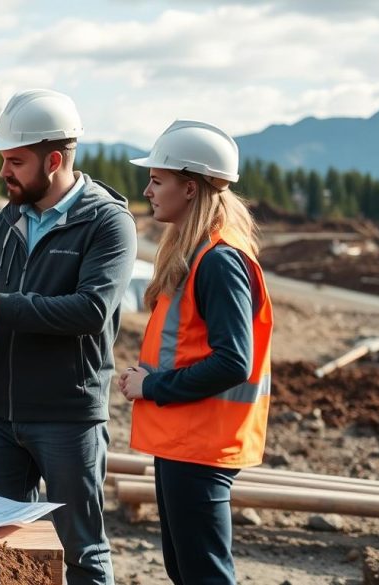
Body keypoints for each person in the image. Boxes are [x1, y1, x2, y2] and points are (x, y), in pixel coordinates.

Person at [0, 88, 136, 585]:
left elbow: (91, 310)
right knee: (4, 549)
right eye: (3, 159)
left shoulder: (107, 222)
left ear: (53, 160)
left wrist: (2, 307)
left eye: (15, 161)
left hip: (68, 417)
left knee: (81, 552)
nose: (4, 171)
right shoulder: (4, 223)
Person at [118, 120, 274, 584]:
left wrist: (153, 386)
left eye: (157, 180)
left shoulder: (220, 260)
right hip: (184, 440)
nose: (147, 189)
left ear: (189, 188)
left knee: (202, 574)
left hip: (201, 446)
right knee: (185, 570)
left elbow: (233, 361)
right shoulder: (199, 252)